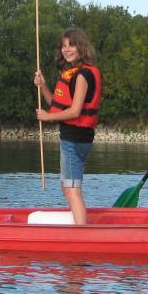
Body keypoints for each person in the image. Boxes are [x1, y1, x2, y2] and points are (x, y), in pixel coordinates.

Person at [34, 28, 102, 225]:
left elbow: (74, 111)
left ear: (81, 47)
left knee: (72, 189)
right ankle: (78, 224)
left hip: (75, 139)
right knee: (67, 187)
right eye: (63, 46)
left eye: (71, 45)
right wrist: (43, 86)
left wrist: (47, 118)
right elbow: (56, 106)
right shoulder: (72, 74)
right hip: (73, 137)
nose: (66, 49)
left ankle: (81, 233)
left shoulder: (82, 76)